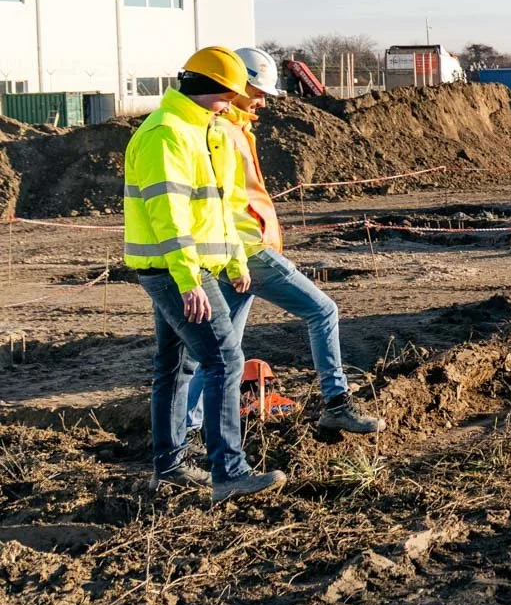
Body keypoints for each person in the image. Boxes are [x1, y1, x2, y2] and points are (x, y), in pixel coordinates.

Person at [185, 46, 386, 435]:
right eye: (257, 92)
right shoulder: (223, 132)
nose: (262, 101)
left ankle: (191, 430)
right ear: (235, 86)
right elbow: (228, 203)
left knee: (222, 353)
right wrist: (242, 253)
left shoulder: (236, 129)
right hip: (248, 251)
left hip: (238, 254)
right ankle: (336, 402)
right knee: (322, 311)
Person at [127, 47, 286, 503]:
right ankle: (229, 473)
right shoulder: (166, 134)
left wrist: (234, 261)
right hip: (177, 270)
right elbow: (169, 216)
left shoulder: (204, 130)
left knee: (175, 366)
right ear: (208, 90)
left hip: (195, 267)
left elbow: (220, 208)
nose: (232, 106)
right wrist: (187, 280)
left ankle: (170, 468)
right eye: (227, 97)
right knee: (225, 361)